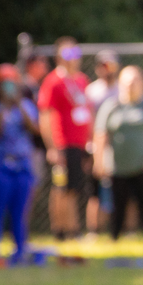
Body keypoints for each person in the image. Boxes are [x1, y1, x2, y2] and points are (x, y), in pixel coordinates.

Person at [93, 65, 143, 242]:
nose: (131, 85)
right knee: (117, 205)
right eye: (127, 82)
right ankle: (114, 239)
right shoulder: (111, 106)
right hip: (117, 166)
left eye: (135, 81)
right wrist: (99, 161)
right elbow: (100, 134)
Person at [0, 65, 40, 263]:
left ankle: (20, 252)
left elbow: (34, 130)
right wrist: (4, 106)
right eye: (4, 83)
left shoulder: (27, 106)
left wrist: (18, 104)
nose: (8, 87)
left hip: (22, 166)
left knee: (19, 212)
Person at [37, 38, 95, 240]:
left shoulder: (81, 80)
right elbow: (45, 116)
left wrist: (91, 140)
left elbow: (87, 112)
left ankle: (72, 228)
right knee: (61, 187)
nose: (73, 59)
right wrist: (52, 147)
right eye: (68, 54)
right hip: (62, 144)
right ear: (58, 57)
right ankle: (63, 230)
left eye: (76, 54)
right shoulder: (53, 81)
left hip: (80, 144)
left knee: (75, 188)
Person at [83, 50, 121, 231]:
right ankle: (94, 231)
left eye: (111, 65)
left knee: (123, 190)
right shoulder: (91, 91)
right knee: (95, 191)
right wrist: (92, 147)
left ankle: (125, 230)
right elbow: (87, 121)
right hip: (97, 147)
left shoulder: (123, 89)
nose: (108, 69)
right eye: (104, 65)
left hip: (119, 148)